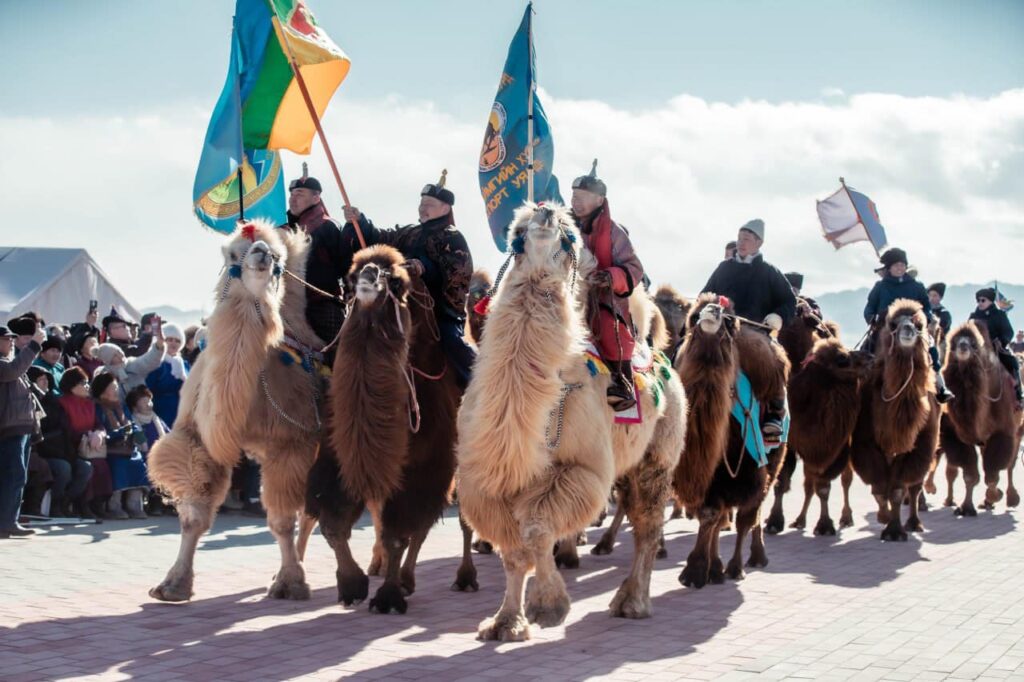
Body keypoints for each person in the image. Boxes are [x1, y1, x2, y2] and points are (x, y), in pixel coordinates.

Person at [342, 170, 477, 388]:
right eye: (421, 203)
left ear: (445, 208)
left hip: (439, 309)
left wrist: (425, 267)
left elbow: (459, 271)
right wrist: (360, 221)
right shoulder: (410, 233)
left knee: (453, 341)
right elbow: (381, 238)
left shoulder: (453, 237)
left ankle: (481, 384)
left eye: (429, 204)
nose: (423, 208)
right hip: (404, 300)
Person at [560, 160, 644, 411]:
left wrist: (609, 277)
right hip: (566, 295)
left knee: (609, 328)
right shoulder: (562, 226)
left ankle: (622, 382)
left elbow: (634, 268)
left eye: (583, 196)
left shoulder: (616, 233)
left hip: (603, 300)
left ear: (599, 201)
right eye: (574, 195)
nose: (576, 201)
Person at [702, 219, 795, 438]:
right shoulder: (723, 268)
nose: (741, 242)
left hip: (755, 334)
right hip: (720, 332)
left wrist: (777, 316)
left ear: (759, 243)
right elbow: (704, 294)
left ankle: (773, 413)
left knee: (774, 361)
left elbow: (789, 302)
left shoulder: (769, 271)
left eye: (747, 238)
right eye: (739, 237)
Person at [278, 172, 366, 348]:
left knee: (337, 353)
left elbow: (345, 266)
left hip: (321, 305)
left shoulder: (327, 227)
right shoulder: (282, 228)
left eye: (300, 194)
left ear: (316, 197)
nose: (292, 199)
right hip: (284, 303)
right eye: (292, 195)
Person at [863, 248, 953, 403]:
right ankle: (861, 386)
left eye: (902, 265)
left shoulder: (917, 286)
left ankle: (940, 386)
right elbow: (870, 307)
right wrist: (872, 318)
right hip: (886, 328)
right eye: (896, 265)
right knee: (865, 350)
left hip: (913, 329)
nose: (900, 268)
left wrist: (925, 319)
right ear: (889, 268)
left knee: (931, 348)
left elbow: (926, 308)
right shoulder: (880, 287)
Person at [0, 319, 47, 538]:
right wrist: (35, 345)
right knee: (13, 475)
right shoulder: (5, 364)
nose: (10, 342)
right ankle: (7, 522)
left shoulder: (10, 360)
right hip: (10, 428)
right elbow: (12, 371)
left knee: (18, 475)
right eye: (6, 339)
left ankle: (10, 520)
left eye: (11, 338)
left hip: (21, 427)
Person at [29, 366, 93, 518]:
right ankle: (55, 504)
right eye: (40, 379)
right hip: (43, 450)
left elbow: (66, 430)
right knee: (63, 469)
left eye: (46, 379)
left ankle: (66, 502)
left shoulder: (55, 402)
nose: (44, 382)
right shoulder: (29, 401)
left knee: (85, 468)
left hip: (63, 449)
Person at [91, 373, 149, 519]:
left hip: (127, 446)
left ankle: (134, 505)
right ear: (103, 389)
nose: (116, 389)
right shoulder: (97, 407)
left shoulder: (121, 405)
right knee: (119, 466)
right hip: (110, 448)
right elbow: (101, 428)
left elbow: (130, 423)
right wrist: (120, 433)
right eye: (112, 386)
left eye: (116, 386)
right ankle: (114, 505)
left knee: (138, 463)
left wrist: (136, 432)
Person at [59, 368, 110, 520]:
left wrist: (99, 434)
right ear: (72, 386)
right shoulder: (62, 403)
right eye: (83, 383)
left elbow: (99, 425)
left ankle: (97, 502)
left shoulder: (90, 404)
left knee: (102, 465)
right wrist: (86, 436)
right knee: (88, 466)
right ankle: (82, 503)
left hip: (90, 446)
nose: (87, 386)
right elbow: (65, 430)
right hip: (71, 448)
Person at [970, 287, 1023, 407]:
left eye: (983, 300)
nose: (980, 303)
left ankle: (1019, 395)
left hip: (996, 349)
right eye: (978, 300)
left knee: (1012, 363)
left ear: (990, 301)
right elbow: (968, 331)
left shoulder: (999, 315)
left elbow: (1009, 332)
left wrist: (1001, 341)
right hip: (976, 351)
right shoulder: (973, 316)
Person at [126, 385, 171, 516]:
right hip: (144, 455)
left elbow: (168, 435)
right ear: (134, 406)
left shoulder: (156, 419)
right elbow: (137, 441)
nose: (149, 404)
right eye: (144, 402)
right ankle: (154, 500)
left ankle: (167, 500)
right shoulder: (133, 422)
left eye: (150, 400)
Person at [95, 322, 166, 400]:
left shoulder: (131, 364)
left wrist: (159, 345)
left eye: (119, 352)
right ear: (108, 361)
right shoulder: (103, 375)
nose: (120, 355)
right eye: (115, 355)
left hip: (140, 408)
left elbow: (149, 360)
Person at [145, 323, 189, 427]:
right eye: (170, 339)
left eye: (177, 340)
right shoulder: (155, 363)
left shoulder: (184, 364)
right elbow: (146, 390)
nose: (174, 343)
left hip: (183, 412)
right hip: (162, 412)